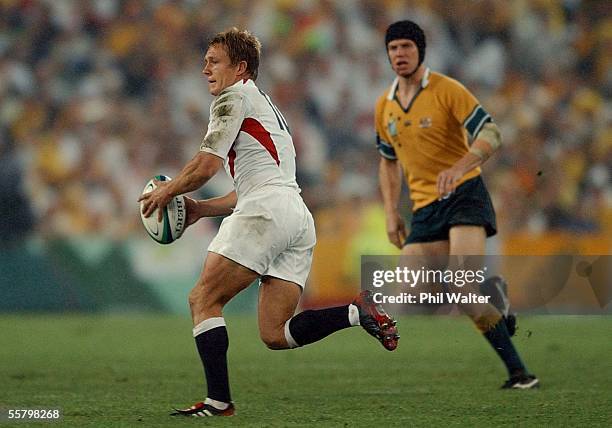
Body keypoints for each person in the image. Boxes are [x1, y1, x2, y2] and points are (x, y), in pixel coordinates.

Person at [139, 27, 399, 417]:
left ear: (240, 67)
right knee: (275, 334)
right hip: (294, 214)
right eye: (205, 61)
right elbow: (255, 186)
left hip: (268, 211)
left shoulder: (232, 97)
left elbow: (206, 166)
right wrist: (197, 209)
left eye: (214, 61)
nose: (204, 68)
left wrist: (167, 191)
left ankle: (218, 401)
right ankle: (355, 312)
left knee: (203, 299)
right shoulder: (266, 108)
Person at [375, 20, 538, 389]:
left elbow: (491, 133)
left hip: (464, 193)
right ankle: (496, 301)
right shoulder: (383, 107)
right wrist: (390, 211)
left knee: (462, 289)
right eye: (393, 48)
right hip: (424, 207)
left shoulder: (448, 90)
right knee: (410, 293)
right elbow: (387, 161)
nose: (399, 54)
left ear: (421, 51)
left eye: (406, 47)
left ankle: (520, 374)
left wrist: (459, 166)